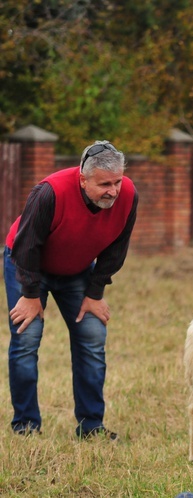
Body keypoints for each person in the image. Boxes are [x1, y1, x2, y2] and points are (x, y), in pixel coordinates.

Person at [4, 140, 138, 439]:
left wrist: (95, 293)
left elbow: (117, 248)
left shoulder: (127, 195)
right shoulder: (49, 192)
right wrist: (30, 295)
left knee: (92, 337)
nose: (113, 191)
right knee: (27, 339)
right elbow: (26, 246)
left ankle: (91, 427)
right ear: (82, 178)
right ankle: (25, 426)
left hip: (76, 270)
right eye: (104, 184)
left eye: (117, 182)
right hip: (28, 266)